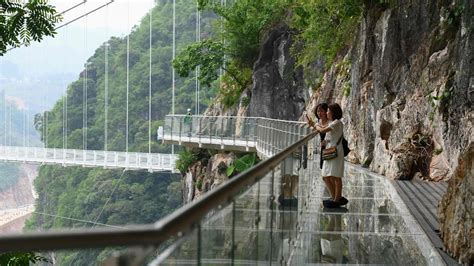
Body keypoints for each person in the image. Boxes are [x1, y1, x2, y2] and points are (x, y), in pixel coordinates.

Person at [315, 103, 348, 208]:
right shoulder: (332, 123)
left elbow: (322, 130)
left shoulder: (337, 123)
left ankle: (337, 199)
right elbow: (328, 136)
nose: (326, 112)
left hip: (336, 152)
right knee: (326, 176)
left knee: (336, 176)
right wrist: (324, 142)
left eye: (328, 111)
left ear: (333, 112)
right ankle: (334, 197)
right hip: (330, 151)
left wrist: (314, 125)